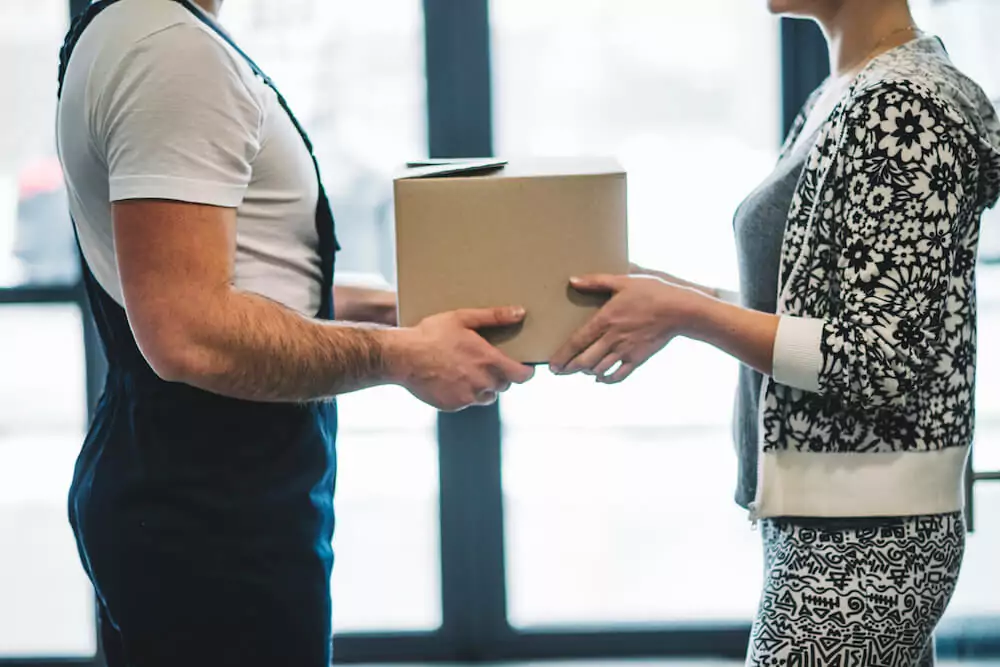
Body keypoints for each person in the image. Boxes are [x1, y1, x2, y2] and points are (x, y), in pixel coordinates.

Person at [55, 0, 533, 665]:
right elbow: (188, 329)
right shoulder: (169, 50)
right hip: (209, 507)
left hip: (197, 486)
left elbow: (227, 282)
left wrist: (405, 309)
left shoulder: (142, 31)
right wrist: (406, 356)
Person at [550, 0, 1000, 664]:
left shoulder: (905, 103)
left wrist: (685, 314)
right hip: (835, 521)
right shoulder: (844, 91)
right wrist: (674, 296)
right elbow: (816, 312)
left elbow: (881, 358)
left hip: (868, 533)